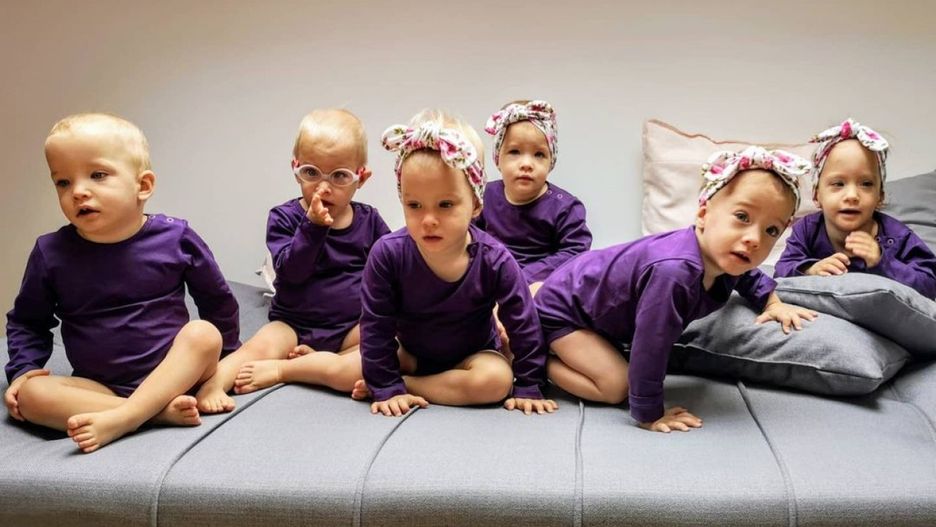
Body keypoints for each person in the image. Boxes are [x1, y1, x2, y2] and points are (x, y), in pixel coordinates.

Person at [538, 146, 817, 432]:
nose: (754, 239)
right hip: (563, 311)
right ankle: (536, 358)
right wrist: (650, 413)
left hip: (595, 315)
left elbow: (748, 276)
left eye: (771, 230)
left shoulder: (726, 257)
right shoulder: (674, 274)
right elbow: (651, 344)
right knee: (616, 386)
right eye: (742, 217)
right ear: (703, 214)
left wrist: (772, 302)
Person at [5, 113, 239, 452]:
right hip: (100, 387)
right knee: (30, 395)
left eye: (98, 175)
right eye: (63, 182)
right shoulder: (51, 252)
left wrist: (224, 362)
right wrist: (23, 369)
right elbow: (28, 321)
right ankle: (149, 414)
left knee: (204, 334)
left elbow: (217, 300)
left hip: (176, 377)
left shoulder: (175, 237)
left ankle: (129, 415)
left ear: (143, 186)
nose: (78, 191)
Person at [354, 110, 556, 417]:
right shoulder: (388, 254)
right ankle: (287, 368)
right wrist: (384, 384)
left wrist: (529, 384)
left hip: (472, 356)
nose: (429, 220)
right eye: (414, 205)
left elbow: (523, 323)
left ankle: (410, 385)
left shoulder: (495, 259)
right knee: (353, 367)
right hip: (409, 351)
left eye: (445, 204)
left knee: (496, 381)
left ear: (475, 203)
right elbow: (376, 325)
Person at [196, 109, 390, 413]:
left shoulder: (370, 220)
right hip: (294, 324)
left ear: (361, 178)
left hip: (352, 327)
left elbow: (389, 271)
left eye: (339, 176)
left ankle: (308, 365)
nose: (323, 187)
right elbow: (291, 272)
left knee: (388, 340)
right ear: (296, 169)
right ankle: (214, 383)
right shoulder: (284, 218)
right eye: (312, 173)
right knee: (259, 346)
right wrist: (313, 227)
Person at [774, 118, 936, 298]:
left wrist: (882, 261)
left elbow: (929, 284)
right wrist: (809, 269)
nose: (852, 195)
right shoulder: (807, 229)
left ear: (880, 196)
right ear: (817, 196)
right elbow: (781, 270)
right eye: (838, 184)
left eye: (866, 184)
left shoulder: (898, 237)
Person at [475, 100, 591, 292]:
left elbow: (576, 250)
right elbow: (469, 237)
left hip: (542, 283)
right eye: (514, 152)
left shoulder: (565, 207)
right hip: (493, 278)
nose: (527, 164)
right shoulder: (485, 196)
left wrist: (527, 277)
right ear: (498, 158)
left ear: (550, 161)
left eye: (539, 154)